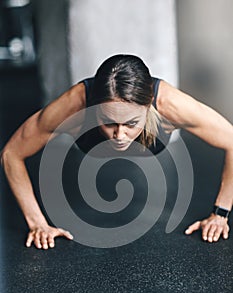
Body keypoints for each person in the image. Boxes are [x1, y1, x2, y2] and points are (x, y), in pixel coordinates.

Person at [1, 54, 233, 249]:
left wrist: (220, 214)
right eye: (109, 122)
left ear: (149, 104)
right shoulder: (73, 106)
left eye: (131, 123)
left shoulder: (171, 106)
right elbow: (11, 153)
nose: (119, 135)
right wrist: (37, 223)